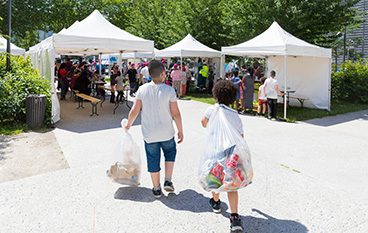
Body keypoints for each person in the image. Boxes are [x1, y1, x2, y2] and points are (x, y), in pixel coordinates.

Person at [125, 60, 184, 198]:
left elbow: (134, 111)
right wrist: (180, 130)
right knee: (170, 153)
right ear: (163, 73)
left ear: (149, 74)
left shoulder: (142, 89)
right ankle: (168, 180)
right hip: (167, 132)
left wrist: (128, 124)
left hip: (149, 134)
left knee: (152, 158)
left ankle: (156, 188)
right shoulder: (169, 90)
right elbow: (176, 113)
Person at [201, 80, 244, 232]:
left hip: (215, 151)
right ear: (233, 97)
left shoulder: (211, 110)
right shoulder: (234, 115)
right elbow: (240, 135)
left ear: (216, 95)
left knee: (215, 178)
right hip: (230, 153)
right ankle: (234, 217)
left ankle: (216, 202)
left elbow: (203, 123)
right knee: (231, 185)